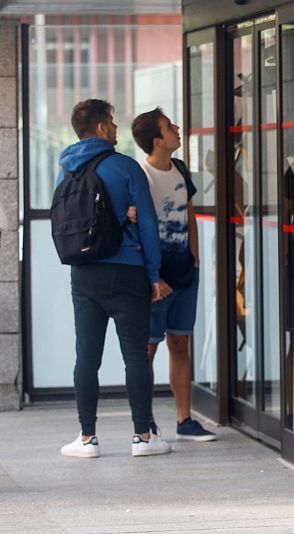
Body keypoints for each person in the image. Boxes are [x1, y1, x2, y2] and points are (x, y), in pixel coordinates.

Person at [58, 99, 171, 458]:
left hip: (84, 272)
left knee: (86, 356)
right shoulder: (125, 167)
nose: (117, 128)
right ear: (102, 127)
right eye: (113, 121)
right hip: (127, 270)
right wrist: (154, 273)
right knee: (135, 355)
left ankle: (87, 438)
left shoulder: (65, 168)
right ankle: (142, 437)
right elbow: (149, 224)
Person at [131, 107, 216, 442]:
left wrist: (195, 258)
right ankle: (145, 421)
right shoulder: (140, 175)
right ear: (157, 140)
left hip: (184, 272)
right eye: (169, 127)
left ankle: (185, 420)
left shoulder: (179, 168)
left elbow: (189, 214)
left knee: (180, 344)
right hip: (155, 278)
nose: (177, 129)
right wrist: (152, 276)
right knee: (148, 349)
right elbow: (134, 230)